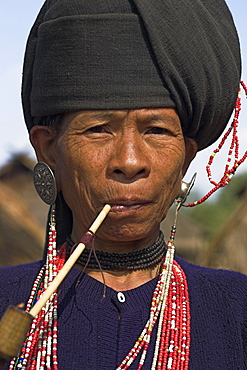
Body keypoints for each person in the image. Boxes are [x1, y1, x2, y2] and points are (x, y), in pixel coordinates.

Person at [0, 0, 246, 369]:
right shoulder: (7, 298)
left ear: (186, 156)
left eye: (157, 130)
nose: (129, 162)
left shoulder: (236, 309)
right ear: (48, 149)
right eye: (98, 130)